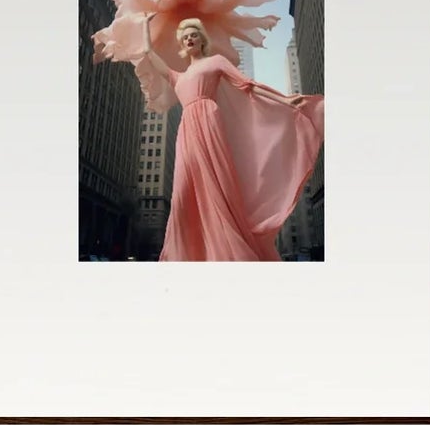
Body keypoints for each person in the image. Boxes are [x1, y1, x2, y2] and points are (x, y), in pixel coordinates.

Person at [137, 18, 324, 263]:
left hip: (209, 126)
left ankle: (226, 254)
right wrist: (144, 27)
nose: (189, 39)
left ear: (201, 39)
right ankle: (187, 257)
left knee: (218, 189)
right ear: (182, 44)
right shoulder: (177, 77)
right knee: (182, 195)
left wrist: (285, 100)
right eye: (185, 37)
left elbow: (248, 85)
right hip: (187, 134)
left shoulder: (216, 62)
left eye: (193, 35)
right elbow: (149, 53)